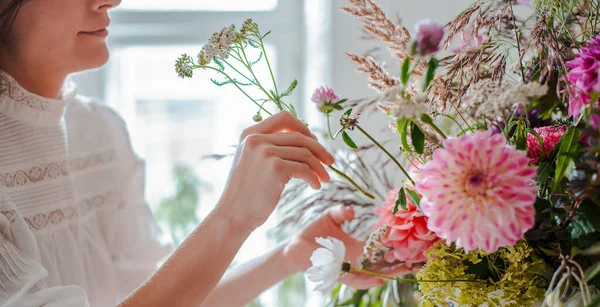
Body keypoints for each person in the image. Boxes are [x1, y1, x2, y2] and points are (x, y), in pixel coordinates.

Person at [0, 0, 410, 306]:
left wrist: (291, 255)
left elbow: (166, 298)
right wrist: (232, 216)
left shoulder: (101, 131)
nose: (111, 0)